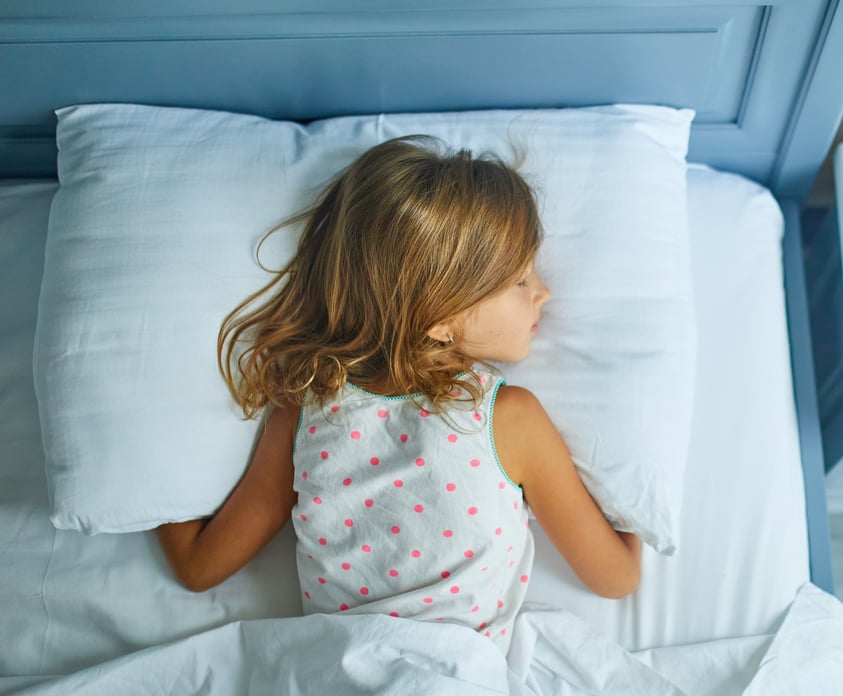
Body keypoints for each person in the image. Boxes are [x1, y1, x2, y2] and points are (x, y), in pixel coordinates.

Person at [155, 136, 641, 649]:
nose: (544, 291)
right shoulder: (506, 418)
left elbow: (199, 566)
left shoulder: (304, 413)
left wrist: (151, 438)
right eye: (519, 280)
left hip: (329, 681)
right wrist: (637, 486)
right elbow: (617, 578)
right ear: (440, 316)